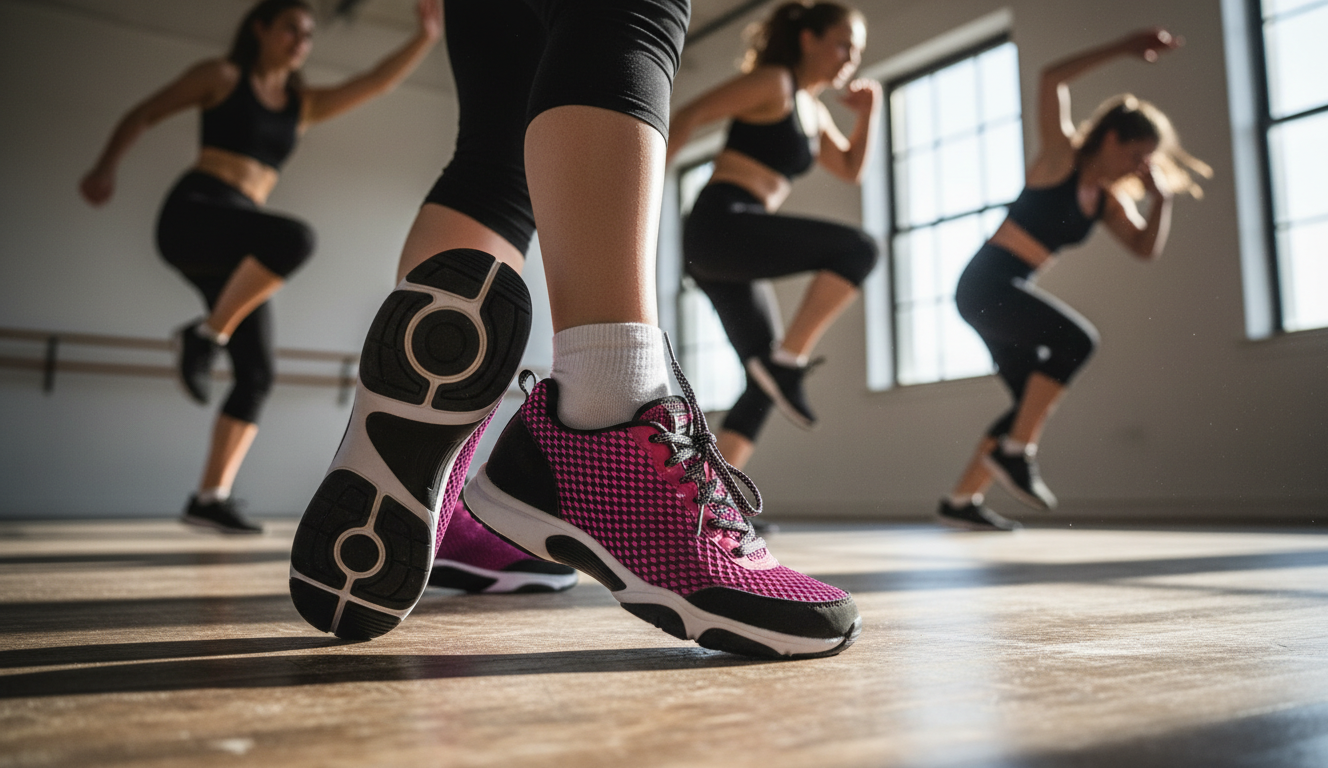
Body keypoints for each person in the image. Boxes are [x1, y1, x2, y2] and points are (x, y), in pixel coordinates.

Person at [289, 0, 861, 659]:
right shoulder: (781, 89)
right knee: (631, 13)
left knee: (496, 159)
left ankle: (451, 497)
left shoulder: (809, 104)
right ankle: (604, 414)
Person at [80, 0, 444, 534]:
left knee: (257, 373)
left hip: (242, 245)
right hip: (196, 217)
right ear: (261, 29)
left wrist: (425, 38)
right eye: (291, 29)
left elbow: (374, 83)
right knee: (294, 239)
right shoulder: (223, 76)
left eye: (309, 35)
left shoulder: (302, 105)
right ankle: (205, 337)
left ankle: (209, 496)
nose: (301, 41)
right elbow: (145, 114)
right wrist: (104, 169)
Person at [938, 29, 1211, 531]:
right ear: (1111, 138)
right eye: (1136, 155)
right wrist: (1122, 46)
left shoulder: (1108, 201)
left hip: (1005, 289)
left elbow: (1144, 250)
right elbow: (1051, 78)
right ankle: (1018, 454)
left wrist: (1162, 200)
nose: (1140, 166)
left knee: (1028, 402)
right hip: (986, 283)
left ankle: (961, 502)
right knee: (1077, 340)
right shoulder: (1060, 159)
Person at [666, 1, 880, 468]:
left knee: (761, 381)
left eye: (857, 50)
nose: (850, 57)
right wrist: (638, 202)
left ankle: (721, 500)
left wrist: (869, 112)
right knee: (858, 250)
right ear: (809, 39)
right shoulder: (775, 83)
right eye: (843, 43)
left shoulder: (812, 109)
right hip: (721, 225)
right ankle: (788, 364)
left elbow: (849, 169)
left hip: (735, 240)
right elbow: (688, 115)